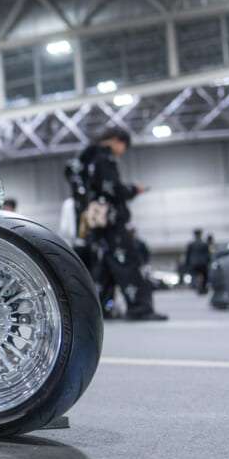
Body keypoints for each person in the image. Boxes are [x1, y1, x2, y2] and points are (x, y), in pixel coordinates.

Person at [76, 127, 167, 321]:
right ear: (117, 141)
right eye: (124, 146)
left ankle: (99, 310)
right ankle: (140, 308)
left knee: (104, 268)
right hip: (112, 223)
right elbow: (113, 189)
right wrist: (134, 189)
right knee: (129, 264)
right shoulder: (104, 159)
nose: (123, 151)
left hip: (97, 225)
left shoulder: (87, 160)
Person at [184, 228, 211, 294]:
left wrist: (187, 264)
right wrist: (208, 261)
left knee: (196, 275)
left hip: (194, 263)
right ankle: (203, 288)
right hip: (203, 263)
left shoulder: (191, 244)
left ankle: (198, 287)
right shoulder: (204, 244)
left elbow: (188, 255)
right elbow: (207, 254)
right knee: (204, 276)